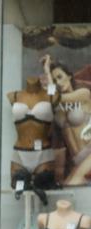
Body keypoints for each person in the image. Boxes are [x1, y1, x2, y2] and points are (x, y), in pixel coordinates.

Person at [43, 55, 91, 186]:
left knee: (72, 185)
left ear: (69, 76)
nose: (58, 82)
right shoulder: (58, 107)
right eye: (54, 80)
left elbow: (54, 98)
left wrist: (47, 71)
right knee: (67, 188)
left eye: (60, 77)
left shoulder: (83, 94)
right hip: (77, 159)